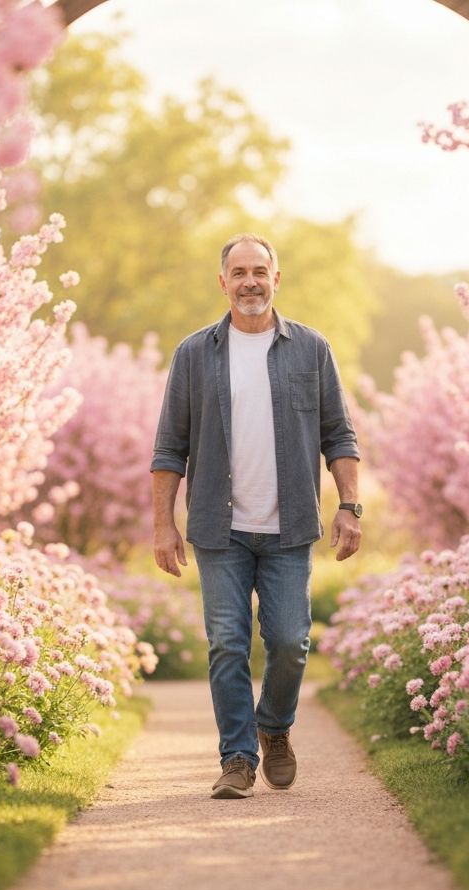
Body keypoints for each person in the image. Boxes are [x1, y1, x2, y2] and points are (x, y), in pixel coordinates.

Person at [151, 233, 362, 799]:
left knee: (291, 641)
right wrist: (162, 524)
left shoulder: (311, 349)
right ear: (222, 281)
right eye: (238, 272)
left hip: (289, 527)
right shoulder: (194, 354)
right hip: (219, 532)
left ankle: (274, 725)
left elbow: (337, 433)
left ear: (276, 278)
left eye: (259, 271)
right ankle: (238, 759)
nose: (250, 281)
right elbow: (170, 447)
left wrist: (349, 505)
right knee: (226, 643)